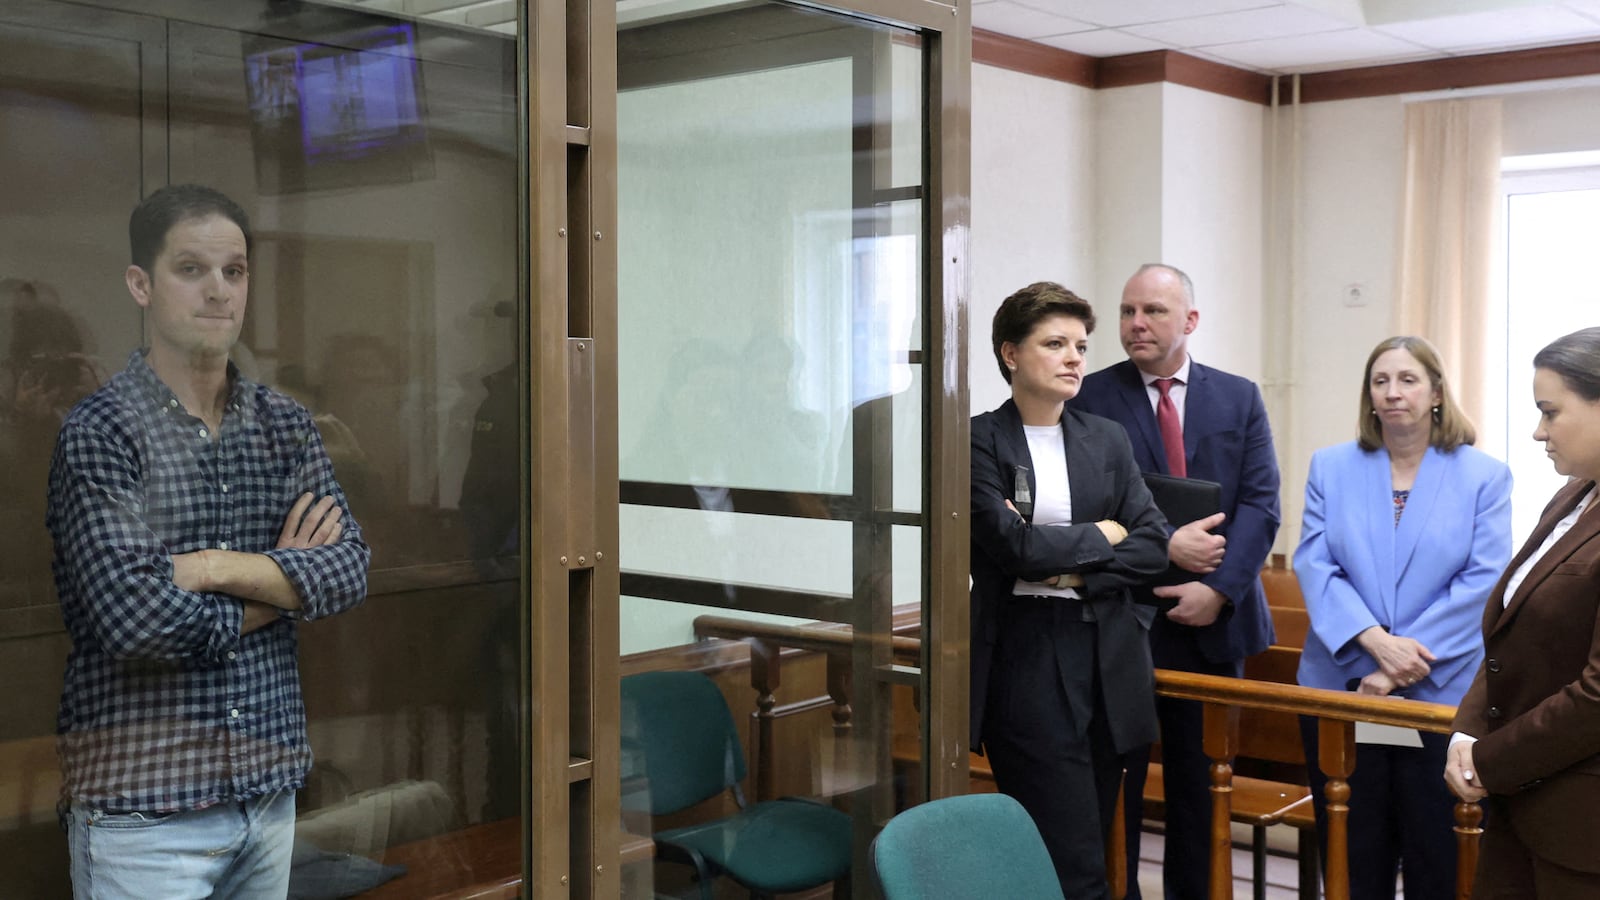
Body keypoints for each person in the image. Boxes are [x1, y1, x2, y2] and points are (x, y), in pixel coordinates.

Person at [48, 184, 370, 899]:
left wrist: (208, 567)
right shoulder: (102, 431)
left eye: (235, 271)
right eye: (190, 269)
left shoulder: (284, 424)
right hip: (146, 812)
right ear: (141, 284)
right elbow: (134, 619)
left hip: (267, 790)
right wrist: (283, 589)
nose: (218, 291)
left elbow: (347, 567)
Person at [1068, 263, 1280, 900]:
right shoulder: (1091, 396)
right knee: (1119, 785)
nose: (1136, 324)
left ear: (1189, 320)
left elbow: (1263, 504)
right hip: (1124, 619)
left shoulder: (1237, 395)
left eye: (1154, 311)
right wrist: (1166, 555)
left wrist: (1217, 589)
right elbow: (1084, 513)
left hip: (1217, 624)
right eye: (1128, 310)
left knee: (1200, 786)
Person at [970, 281, 1169, 898]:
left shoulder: (1105, 438)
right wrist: (1102, 535)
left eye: (1080, 345)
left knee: (1093, 843)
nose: (1074, 358)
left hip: (1107, 653)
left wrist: (1067, 564)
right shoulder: (978, 438)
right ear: (1010, 354)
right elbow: (1012, 548)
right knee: (1071, 860)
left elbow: (1155, 542)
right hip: (1027, 656)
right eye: (1054, 343)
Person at [1295, 335, 1511, 899]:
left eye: (1409, 380)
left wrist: (1398, 665)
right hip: (1344, 683)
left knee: (1435, 849)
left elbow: (1483, 580)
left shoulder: (1483, 475)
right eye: (1381, 381)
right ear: (1368, 395)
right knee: (1353, 848)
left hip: (1438, 688)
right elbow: (1316, 563)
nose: (1393, 393)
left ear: (1437, 392)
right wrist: (1374, 642)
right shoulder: (1332, 465)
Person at [1445, 327, 1600, 898]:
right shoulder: (1574, 494)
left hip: (1583, 825)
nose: (1538, 431)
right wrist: (1466, 734)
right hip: (1524, 804)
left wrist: (1488, 761)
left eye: (1550, 412)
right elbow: (1511, 637)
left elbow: (1598, 695)